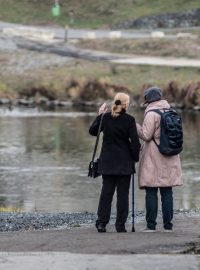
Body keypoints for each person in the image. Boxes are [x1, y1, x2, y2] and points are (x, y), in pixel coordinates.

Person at [89, 93, 141, 233]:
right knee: (123, 195)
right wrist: (135, 158)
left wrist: (100, 115)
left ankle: (101, 223)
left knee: (106, 193)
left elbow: (93, 131)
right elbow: (135, 144)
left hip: (107, 162)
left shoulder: (105, 118)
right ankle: (120, 225)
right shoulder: (130, 120)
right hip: (124, 163)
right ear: (126, 104)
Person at [136, 86, 183, 232]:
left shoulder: (151, 113)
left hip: (154, 157)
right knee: (167, 191)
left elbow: (146, 135)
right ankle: (168, 226)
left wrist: (135, 126)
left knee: (151, 190)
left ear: (148, 100)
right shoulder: (172, 111)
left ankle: (151, 226)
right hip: (171, 155)